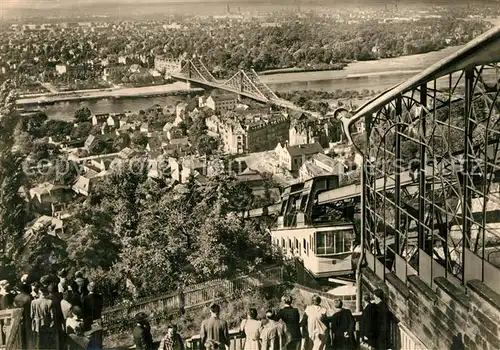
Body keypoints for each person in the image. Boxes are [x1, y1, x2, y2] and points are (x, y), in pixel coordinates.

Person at [14, 283, 33, 349]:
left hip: (19, 318)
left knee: (21, 334)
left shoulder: (16, 297)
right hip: (28, 317)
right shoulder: (29, 297)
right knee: (29, 335)